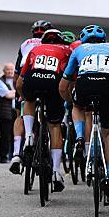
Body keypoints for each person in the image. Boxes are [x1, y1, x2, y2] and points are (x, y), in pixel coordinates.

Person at [59, 25, 109, 206]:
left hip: (85, 85)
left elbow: (63, 86)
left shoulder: (78, 49)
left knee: (78, 107)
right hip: (108, 86)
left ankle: (81, 138)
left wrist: (70, 102)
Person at [13, 29, 73, 191]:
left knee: (28, 100)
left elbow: (19, 82)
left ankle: (29, 136)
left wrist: (23, 96)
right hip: (54, 84)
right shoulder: (67, 50)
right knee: (54, 126)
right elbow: (70, 78)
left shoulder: (34, 49)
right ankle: (55, 171)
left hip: (33, 82)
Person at [10, 20, 52, 160]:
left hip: (26, 78)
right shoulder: (52, 43)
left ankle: (17, 152)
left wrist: (19, 91)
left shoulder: (25, 44)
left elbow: (16, 74)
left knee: (19, 116)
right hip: (47, 78)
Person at [0, 63, 17, 162]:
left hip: (16, 112)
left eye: (11, 69)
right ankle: (4, 157)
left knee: (16, 135)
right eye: (7, 70)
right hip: (5, 113)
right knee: (5, 136)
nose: (10, 71)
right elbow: (7, 95)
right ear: (4, 71)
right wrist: (17, 92)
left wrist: (12, 92)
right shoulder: (0, 81)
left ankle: (14, 156)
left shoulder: (16, 80)